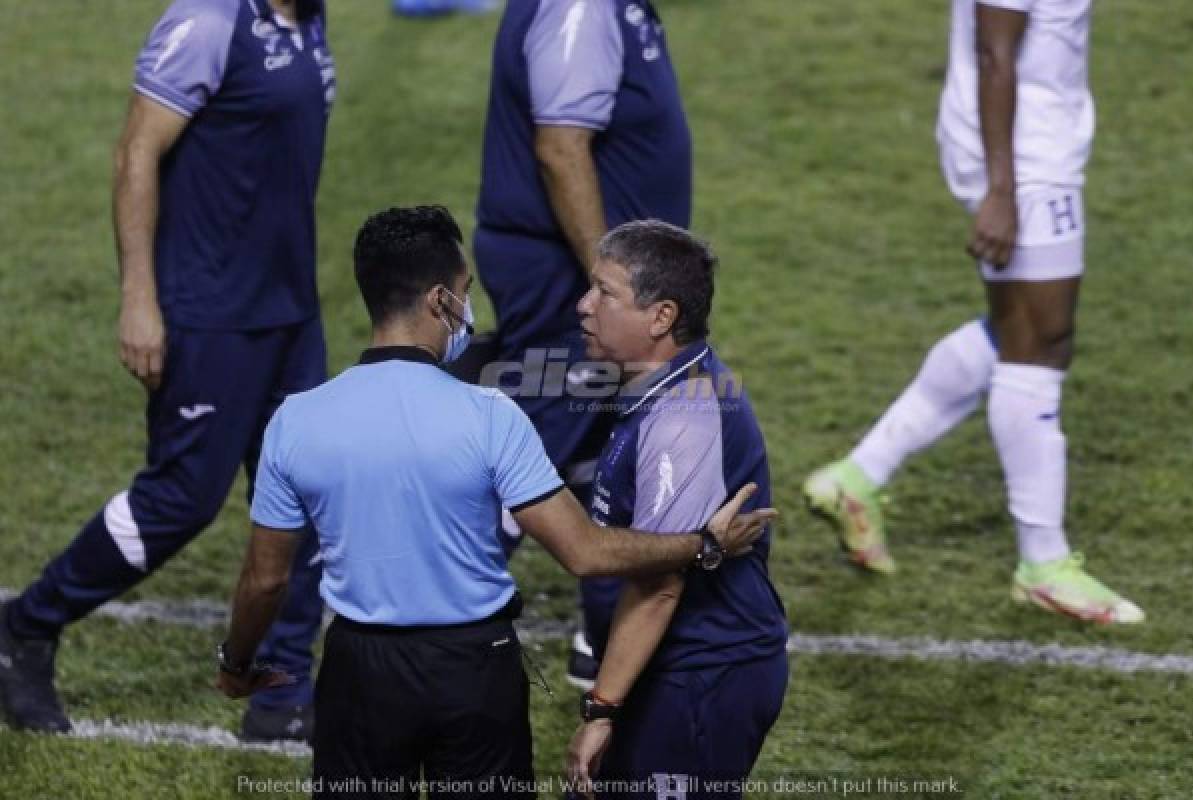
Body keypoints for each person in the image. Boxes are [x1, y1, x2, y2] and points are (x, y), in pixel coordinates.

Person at [214, 206, 775, 798]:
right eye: (465, 291)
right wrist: (703, 543)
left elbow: (265, 580)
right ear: (439, 301)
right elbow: (584, 552)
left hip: (360, 668)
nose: (470, 308)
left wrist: (237, 662)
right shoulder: (491, 415)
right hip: (476, 666)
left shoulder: (296, 421)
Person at [0, 0, 337, 739]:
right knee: (180, 500)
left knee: (313, 495)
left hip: (288, 314)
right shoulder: (209, 21)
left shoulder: (309, 19)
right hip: (208, 312)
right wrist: (139, 300)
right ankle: (26, 626)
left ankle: (281, 694)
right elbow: (135, 154)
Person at [803, 0, 1143, 623]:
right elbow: (994, 50)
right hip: (1022, 159)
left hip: (1034, 144)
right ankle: (1043, 565)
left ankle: (858, 476)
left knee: (1020, 330)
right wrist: (1002, 190)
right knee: (1038, 344)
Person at [475, 0, 693, 688]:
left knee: (606, 459)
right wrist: (613, 284)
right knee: (530, 458)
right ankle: (417, 619)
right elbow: (560, 147)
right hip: (564, 277)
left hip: (589, 274)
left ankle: (603, 637)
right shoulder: (583, 8)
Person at [563, 221, 788, 796]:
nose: (584, 305)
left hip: (700, 676)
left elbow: (659, 583)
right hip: (668, 667)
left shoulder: (684, 415)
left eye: (604, 293)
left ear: (661, 317)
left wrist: (602, 708)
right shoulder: (657, 385)